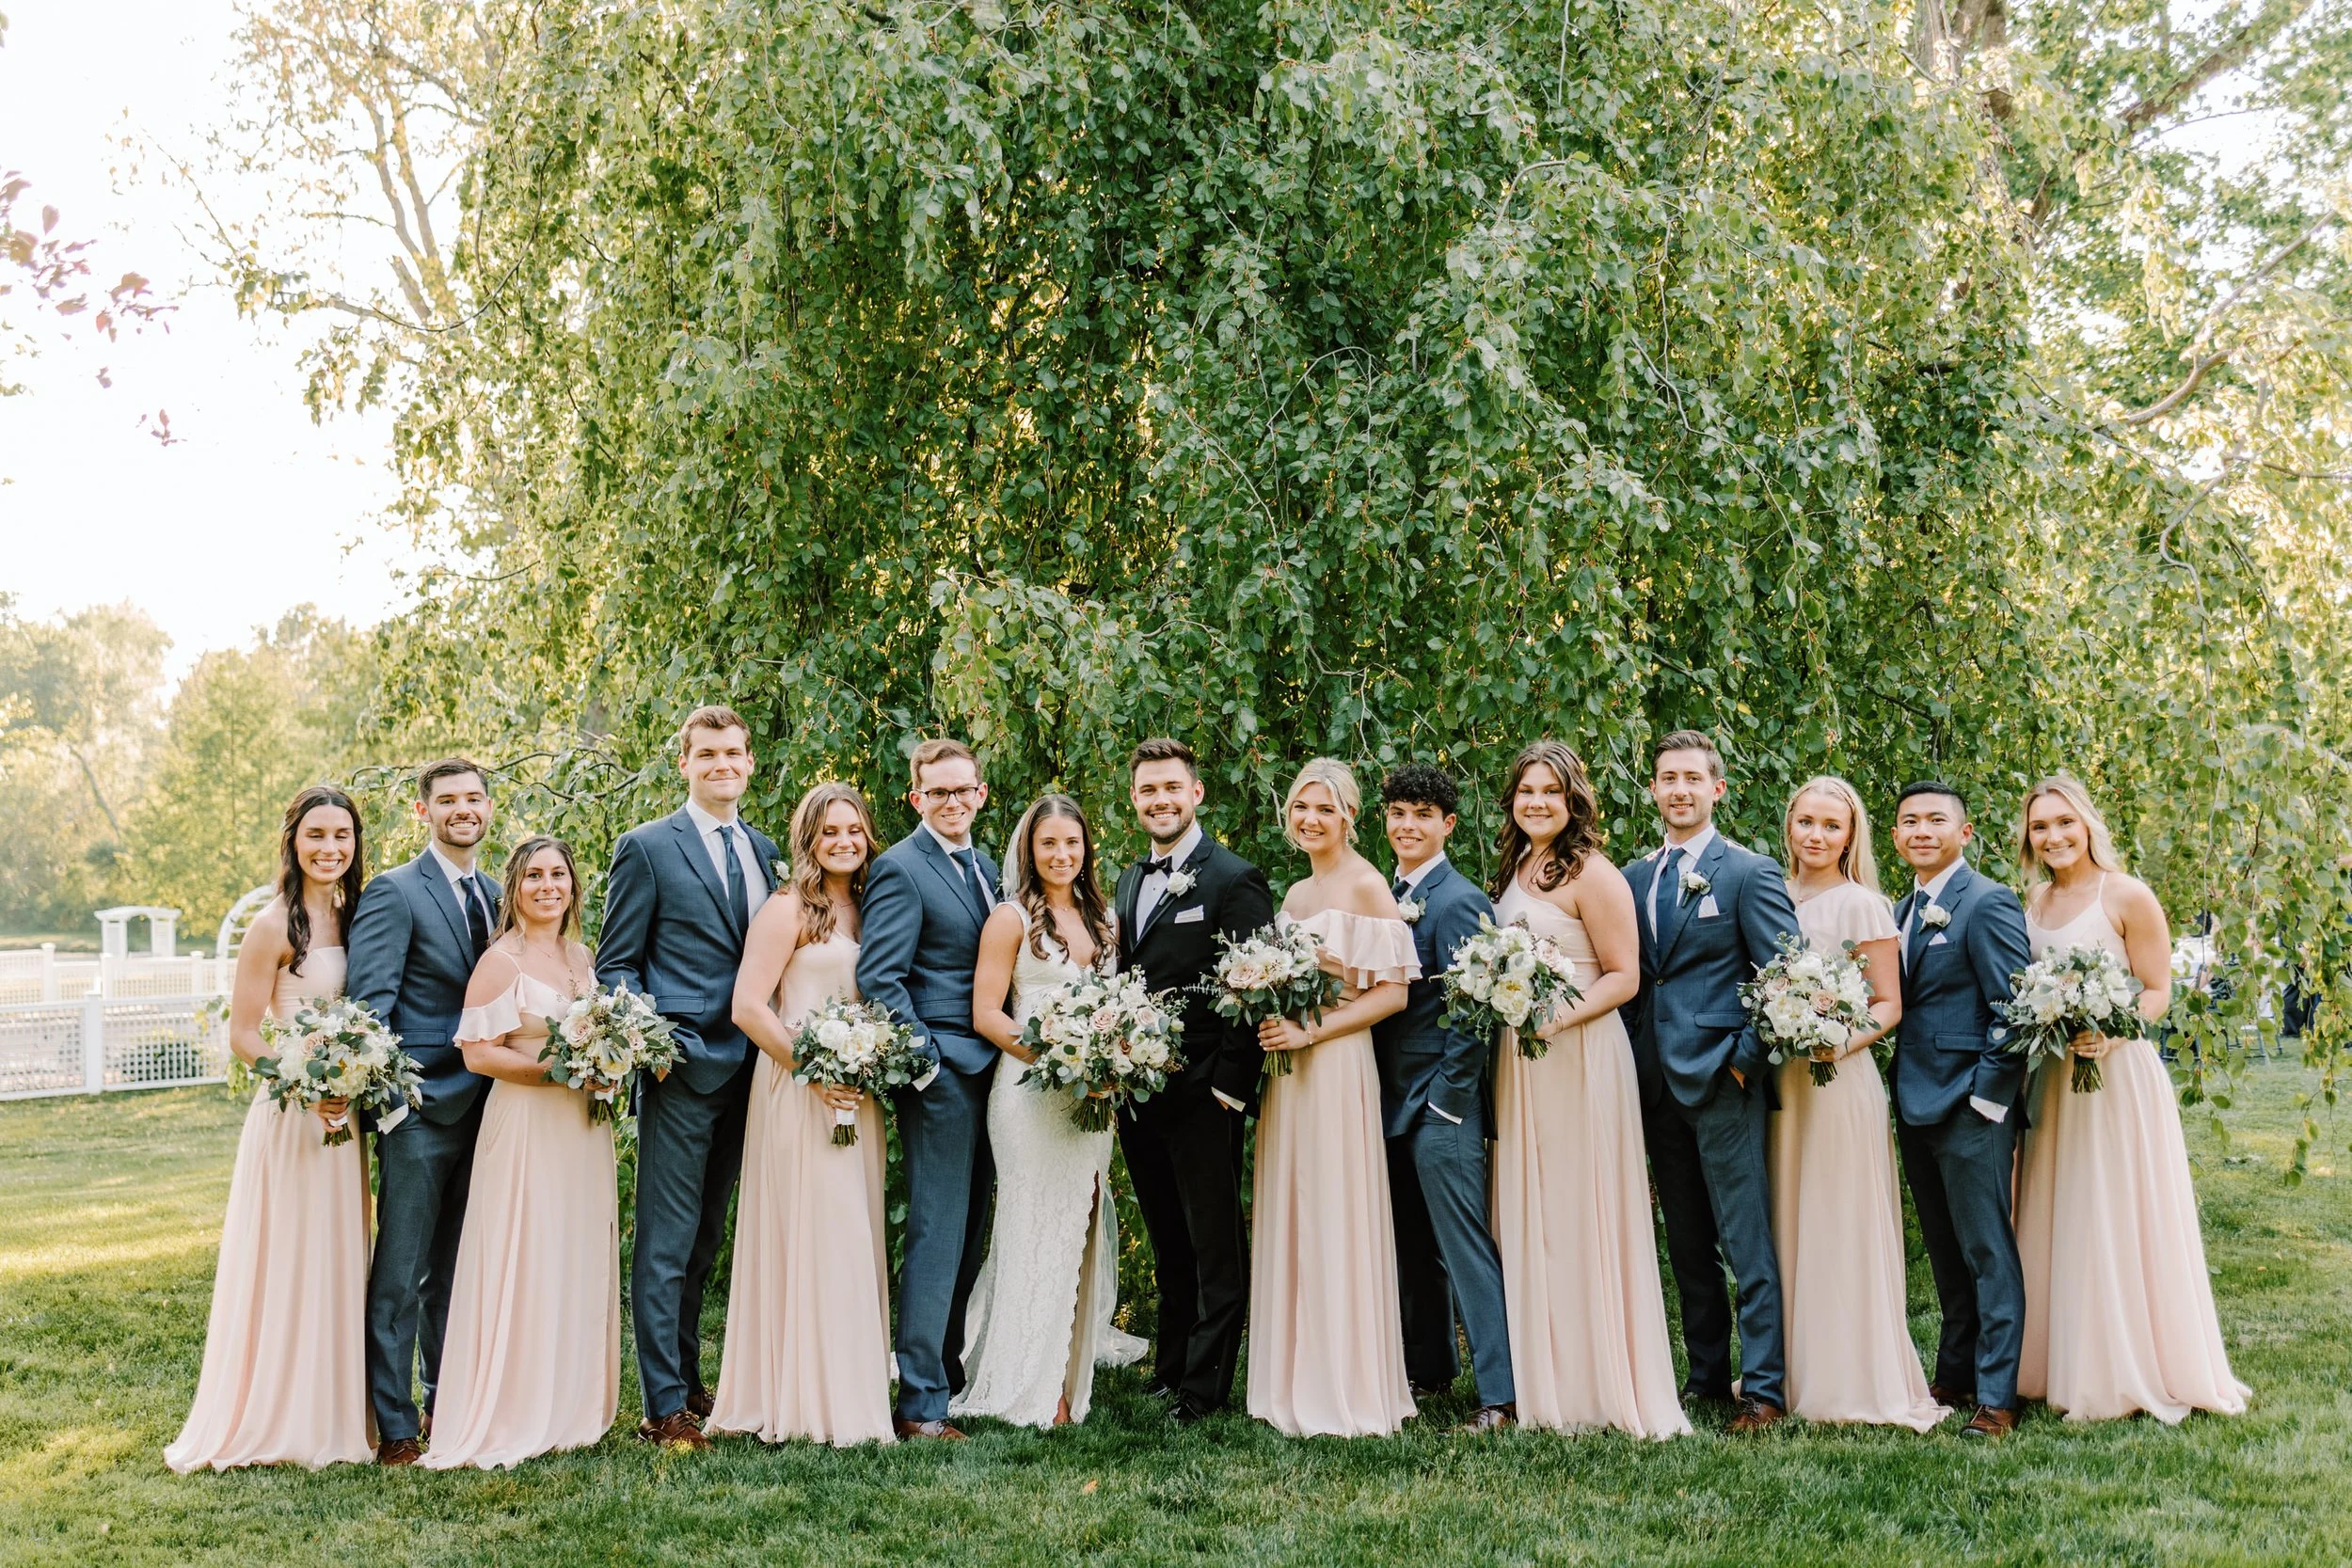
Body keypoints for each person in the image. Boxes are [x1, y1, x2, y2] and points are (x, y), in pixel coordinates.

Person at [2011, 775, 2249, 1422]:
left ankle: (2127, 1362)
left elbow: (2156, 990)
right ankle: (2050, 1359)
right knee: (2058, 1208)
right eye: (2040, 826)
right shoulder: (2030, 901)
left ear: (2087, 823)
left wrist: (2111, 1029)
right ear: (2028, 838)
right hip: (2055, 1078)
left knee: (2113, 1210)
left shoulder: (2127, 894)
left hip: (2115, 1074)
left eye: (2065, 822)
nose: (2054, 835)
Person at [167, 785, 374, 1473]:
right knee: (288, 1259)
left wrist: (348, 1083)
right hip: (292, 1118)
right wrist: (308, 1085)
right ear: (293, 840)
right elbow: (244, 1035)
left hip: (343, 1122)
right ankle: (278, 1414)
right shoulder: (272, 926)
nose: (330, 848)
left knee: (338, 1259)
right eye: (317, 834)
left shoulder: (355, 915)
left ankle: (335, 1411)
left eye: (341, 835)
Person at [1489, 742, 1690, 1439]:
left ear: (1574, 798)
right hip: (1524, 1057)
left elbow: (1623, 975)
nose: (1537, 801)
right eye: (1525, 791)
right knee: (1533, 1210)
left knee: (1580, 1210)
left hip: (1579, 1052)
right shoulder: (1514, 870)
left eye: (1550, 790)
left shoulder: (1594, 873)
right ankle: (1541, 1378)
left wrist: (1557, 1017)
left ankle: (1594, 1381)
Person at [596, 705, 781, 1450]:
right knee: (666, 1243)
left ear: (749, 764)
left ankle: (690, 1376)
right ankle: (662, 1404)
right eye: (708, 754)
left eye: (734, 753)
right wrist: (653, 1037)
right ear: (685, 763)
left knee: (709, 1237)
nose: (722, 765)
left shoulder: (768, 849)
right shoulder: (645, 847)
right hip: (679, 1069)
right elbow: (616, 965)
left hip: (754, 1071)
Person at [707, 782, 897, 1447]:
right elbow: (748, 1006)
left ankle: (850, 1388)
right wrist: (814, 1069)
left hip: (856, 1092)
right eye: (830, 831)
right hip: (797, 1086)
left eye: (854, 829)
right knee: (811, 1229)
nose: (844, 841)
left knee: (851, 1232)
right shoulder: (788, 907)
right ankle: (796, 1395)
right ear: (809, 838)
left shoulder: (874, 906)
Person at [1622, 730, 1801, 1432]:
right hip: (1656, 1083)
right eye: (1668, 778)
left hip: (1725, 1081)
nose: (1679, 790)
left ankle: (1763, 1387)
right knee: (1688, 1241)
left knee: (1745, 1237)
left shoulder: (1748, 872)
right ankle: (1703, 1377)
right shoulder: (1636, 877)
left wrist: (1741, 1060)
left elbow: (1785, 977)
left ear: (1717, 788)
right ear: (1655, 790)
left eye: (1693, 778)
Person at [421, 838, 617, 1468]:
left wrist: (608, 1063)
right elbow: (479, 1053)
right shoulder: (500, 961)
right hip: (528, 1125)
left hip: (582, 1130)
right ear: (514, 886)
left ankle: (566, 1401)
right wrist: (556, 1071)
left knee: (571, 1252)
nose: (547, 885)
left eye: (558, 873)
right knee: (524, 1254)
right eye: (533, 875)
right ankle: (512, 1404)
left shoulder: (582, 954)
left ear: (572, 885)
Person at [955, 795, 1145, 1428]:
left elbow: (1118, 1008)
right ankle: (1027, 1385)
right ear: (1029, 852)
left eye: (1072, 843)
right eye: (1048, 845)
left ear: (1086, 847)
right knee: (1030, 1227)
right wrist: (1056, 1058)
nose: (1061, 855)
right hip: (1028, 1097)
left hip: (1090, 1099)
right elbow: (987, 1013)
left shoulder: (1106, 919)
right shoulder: (1009, 919)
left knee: (1077, 1228)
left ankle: (1067, 1370)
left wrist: (1107, 1065)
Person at [1247, 758, 1419, 1437]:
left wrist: (1309, 1029)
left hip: (1337, 1059)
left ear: (1349, 815)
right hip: (1288, 1071)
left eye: (1323, 808)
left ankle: (1343, 1382)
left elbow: (1393, 992)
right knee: (1294, 1206)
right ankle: (1290, 1375)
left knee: (1335, 1208)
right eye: (1300, 809)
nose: (1310, 819)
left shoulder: (1368, 885)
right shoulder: (1294, 894)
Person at [1766, 777, 1946, 1431]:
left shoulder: (1863, 905)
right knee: (1790, 1217)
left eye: (1831, 826)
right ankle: (1787, 1371)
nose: (1815, 835)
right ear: (1790, 825)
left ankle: (1850, 1377)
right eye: (1805, 821)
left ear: (1850, 836)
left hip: (1836, 1078)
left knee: (1839, 1222)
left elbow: (1888, 1005)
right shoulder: (1770, 893)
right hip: (1780, 1080)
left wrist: (1832, 1041)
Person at [1110, 737, 1274, 1423]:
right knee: (1168, 1237)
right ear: (1135, 799)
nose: (1160, 800)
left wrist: (1228, 1086)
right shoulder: (1125, 880)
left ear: (1196, 793)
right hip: (1137, 1093)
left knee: (1213, 1245)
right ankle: (1171, 1365)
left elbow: (1255, 985)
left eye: (1171, 788)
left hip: (1204, 1091)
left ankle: (1205, 1386)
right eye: (1148, 790)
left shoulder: (1233, 878)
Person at [348, 758, 499, 1465]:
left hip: (490, 1110)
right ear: (423, 811)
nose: (462, 809)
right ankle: (396, 1421)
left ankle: (447, 1396)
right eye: (447, 800)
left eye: (473, 797)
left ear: (489, 808)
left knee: (460, 1267)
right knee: (401, 1273)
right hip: (419, 1109)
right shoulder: (395, 891)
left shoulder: (500, 893)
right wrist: (394, 1106)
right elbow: (370, 1008)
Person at [855, 737, 1001, 1441]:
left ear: (980, 793)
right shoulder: (899, 869)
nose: (950, 802)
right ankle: (918, 1403)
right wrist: (928, 1066)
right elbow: (881, 978)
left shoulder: (990, 867)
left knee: (970, 1230)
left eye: (961, 790)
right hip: (940, 1074)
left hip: (992, 1074)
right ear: (916, 799)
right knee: (937, 1232)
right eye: (936, 792)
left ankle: (945, 1368)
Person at [1368, 763, 1517, 1431]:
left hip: (1438, 1102)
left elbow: (1472, 1012)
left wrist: (1449, 1103)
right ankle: (1430, 1368)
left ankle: (1502, 1394)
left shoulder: (1457, 900)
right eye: (1399, 812)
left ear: (1448, 824)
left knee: (1463, 1247)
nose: (1408, 824)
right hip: (1395, 1098)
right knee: (1414, 1244)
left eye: (1423, 814)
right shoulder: (1389, 891)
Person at [1888, 780, 2034, 1439]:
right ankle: (1954, 1372)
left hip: (1970, 1106)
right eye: (1909, 820)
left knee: (1986, 1251)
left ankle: (1998, 1395)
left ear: (1964, 832)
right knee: (1945, 1251)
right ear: (1895, 836)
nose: (1921, 829)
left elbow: (2015, 1010)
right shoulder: (1898, 909)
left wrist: (1987, 1098)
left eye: (1935, 819)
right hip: (1914, 1102)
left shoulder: (1988, 901)